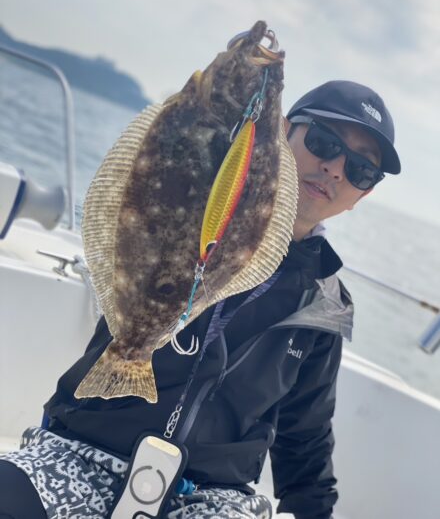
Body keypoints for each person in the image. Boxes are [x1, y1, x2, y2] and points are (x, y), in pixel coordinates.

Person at [0, 80, 401, 519]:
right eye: (324, 142)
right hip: (79, 448)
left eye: (360, 169)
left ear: (363, 195)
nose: (335, 169)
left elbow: (304, 440)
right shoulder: (191, 213)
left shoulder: (323, 306)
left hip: (209, 495)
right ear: (283, 133)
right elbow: (169, 151)